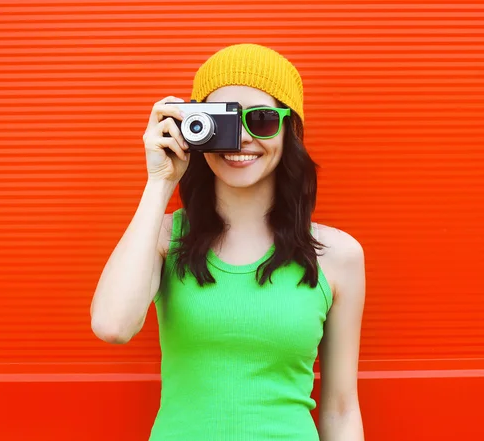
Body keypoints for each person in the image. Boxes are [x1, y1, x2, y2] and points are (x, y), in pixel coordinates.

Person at [90, 43, 366, 441]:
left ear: (290, 131)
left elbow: (341, 411)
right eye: (224, 123)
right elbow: (111, 325)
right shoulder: (166, 238)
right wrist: (160, 181)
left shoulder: (338, 256)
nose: (241, 139)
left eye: (263, 120)